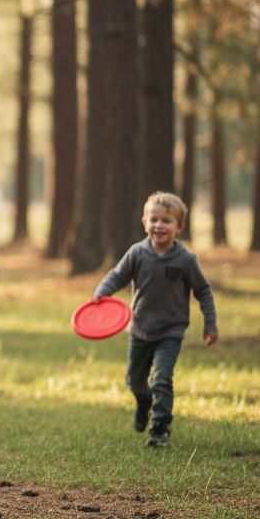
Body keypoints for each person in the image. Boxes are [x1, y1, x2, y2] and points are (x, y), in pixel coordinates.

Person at [93, 191, 218, 449]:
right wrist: (103, 291)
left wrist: (210, 324)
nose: (159, 225)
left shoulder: (185, 260)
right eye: (154, 219)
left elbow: (203, 291)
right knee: (135, 381)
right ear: (144, 222)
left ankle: (160, 427)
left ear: (179, 227)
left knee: (161, 378)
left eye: (166, 221)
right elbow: (118, 275)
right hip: (139, 329)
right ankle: (143, 402)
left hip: (170, 332)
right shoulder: (137, 253)